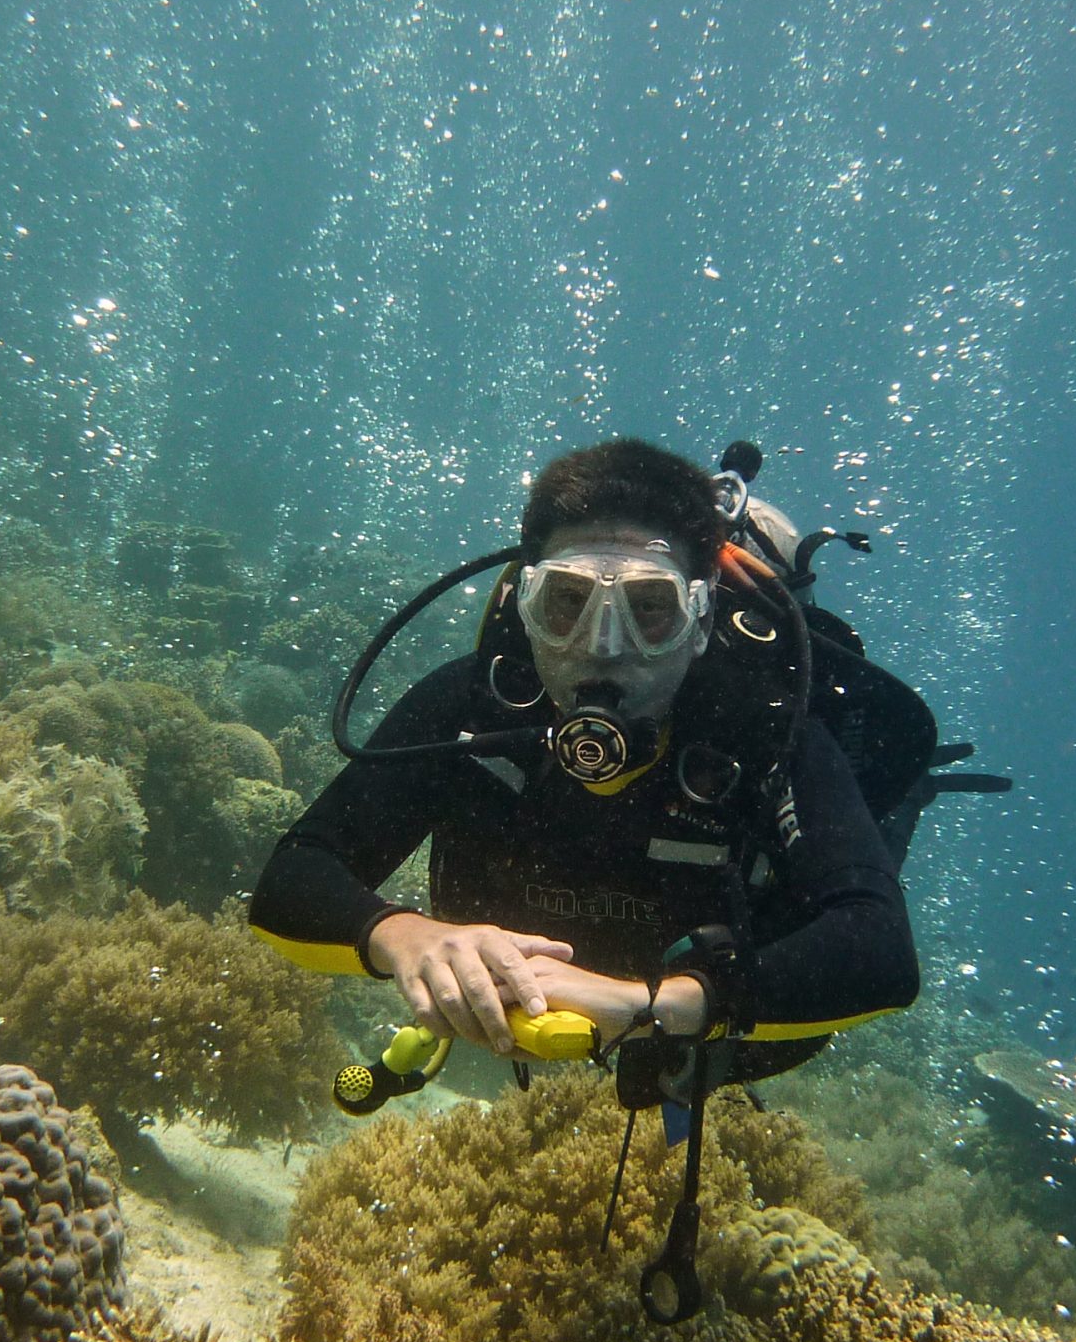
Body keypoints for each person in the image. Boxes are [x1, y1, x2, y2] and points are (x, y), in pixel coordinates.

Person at [248, 436, 920, 1089]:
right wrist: (406, 938)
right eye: (566, 602)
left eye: (650, 610)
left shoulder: (764, 731)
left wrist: (658, 1005)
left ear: (701, 618)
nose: (601, 648)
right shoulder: (476, 707)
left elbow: (879, 946)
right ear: (524, 601)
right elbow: (294, 877)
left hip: (704, 1031)